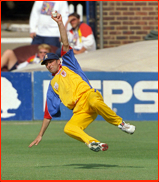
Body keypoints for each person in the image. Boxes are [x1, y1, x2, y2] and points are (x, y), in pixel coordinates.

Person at [29, 12, 136, 152]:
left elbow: (65, 43)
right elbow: (48, 113)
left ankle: (121, 124)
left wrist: (60, 23)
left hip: (89, 95)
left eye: (50, 62)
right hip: (80, 110)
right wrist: (40, 135)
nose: (49, 65)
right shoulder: (52, 85)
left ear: (58, 61)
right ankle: (93, 143)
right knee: (68, 128)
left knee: (95, 101)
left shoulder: (68, 64)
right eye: (46, 64)